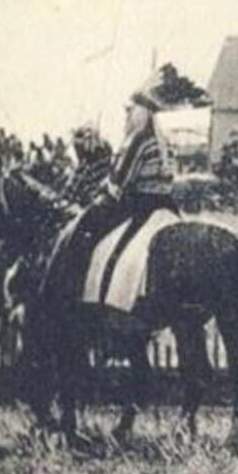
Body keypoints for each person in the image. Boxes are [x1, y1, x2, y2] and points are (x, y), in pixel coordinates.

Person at [38, 70, 181, 313]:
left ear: (139, 113)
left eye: (130, 111)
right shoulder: (164, 141)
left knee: (82, 227)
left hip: (138, 204)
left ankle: (73, 292)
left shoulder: (138, 140)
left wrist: (103, 190)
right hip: (167, 203)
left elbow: (119, 184)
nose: (126, 116)